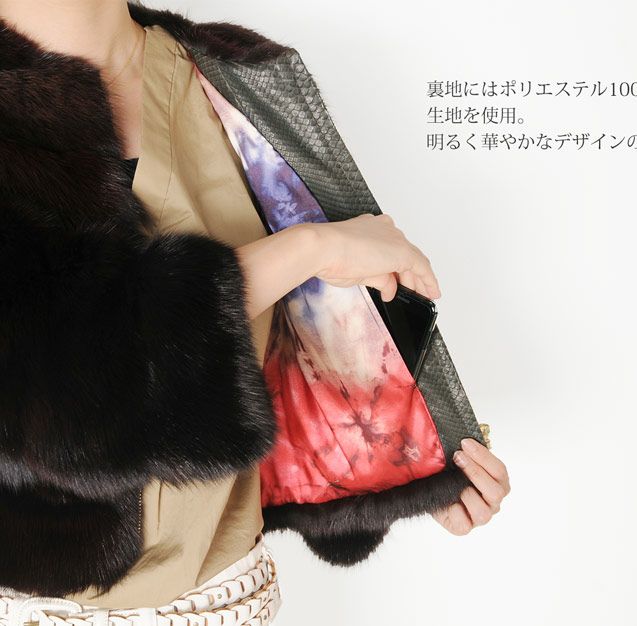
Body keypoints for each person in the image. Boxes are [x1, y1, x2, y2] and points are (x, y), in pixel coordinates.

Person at [0, 1, 510, 623]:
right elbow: (68, 387)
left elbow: (317, 331)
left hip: (236, 595)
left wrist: (414, 471)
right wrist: (312, 248)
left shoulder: (240, 74)